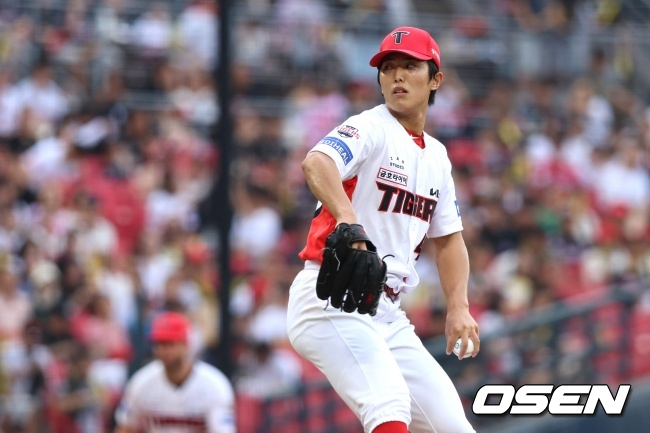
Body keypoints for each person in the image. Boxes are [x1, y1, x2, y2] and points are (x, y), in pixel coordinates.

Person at [286, 26, 480, 433]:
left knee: (452, 426)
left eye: (410, 66)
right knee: (388, 405)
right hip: (331, 295)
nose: (397, 75)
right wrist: (347, 218)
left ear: (435, 80)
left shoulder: (437, 156)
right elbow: (317, 163)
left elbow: (448, 240)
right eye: (388, 67)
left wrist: (458, 306)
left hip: (386, 310)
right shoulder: (370, 127)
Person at [114, 312, 235, 433]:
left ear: (186, 345)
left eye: (170, 343)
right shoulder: (141, 381)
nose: (163, 350)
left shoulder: (215, 384)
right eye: (159, 344)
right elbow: (125, 427)